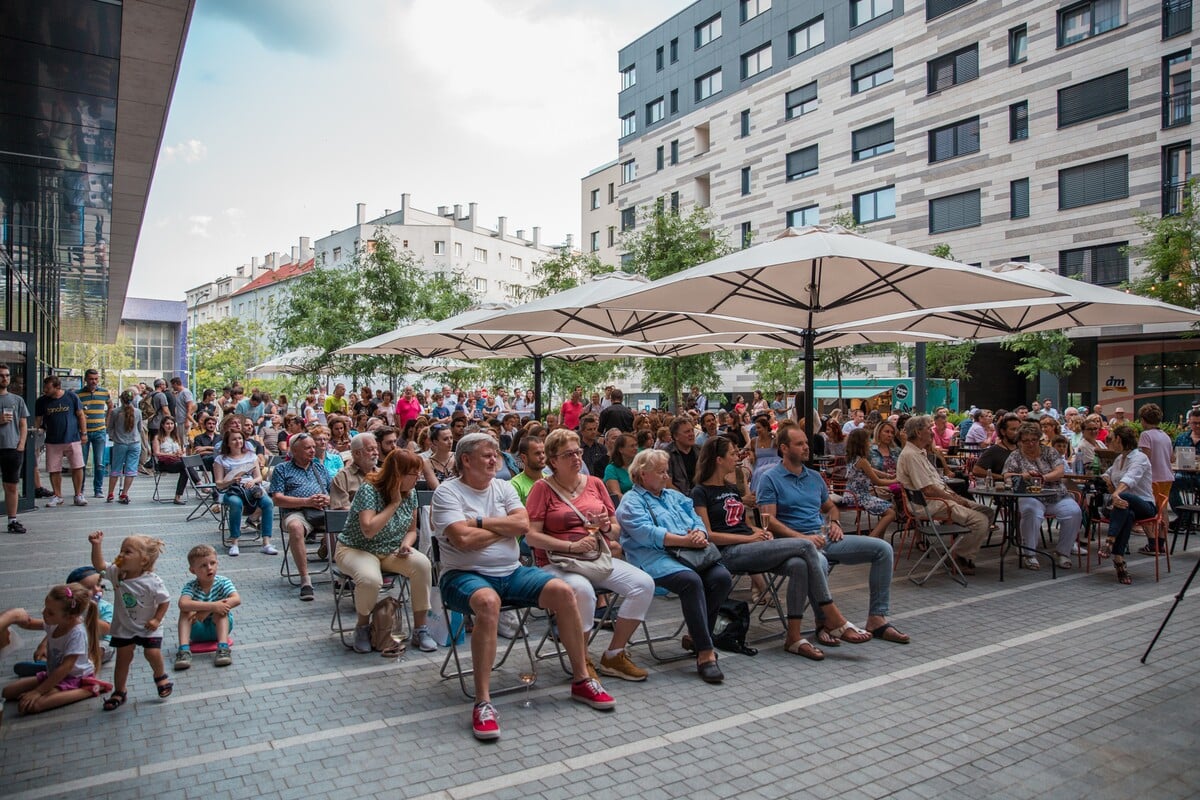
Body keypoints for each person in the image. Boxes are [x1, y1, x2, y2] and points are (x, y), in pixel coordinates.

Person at [432, 432, 616, 740]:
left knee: (563, 591)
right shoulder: (447, 493)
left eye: (496, 455)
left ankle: (581, 679)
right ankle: (483, 702)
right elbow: (461, 541)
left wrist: (477, 523)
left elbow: (520, 525)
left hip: (513, 571)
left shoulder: (503, 487)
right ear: (466, 460)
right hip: (463, 575)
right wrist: (500, 528)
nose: (496, 460)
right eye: (487, 455)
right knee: (489, 603)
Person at [693, 437, 892, 660]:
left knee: (799, 565)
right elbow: (709, 534)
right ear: (719, 460)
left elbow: (743, 523)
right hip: (729, 553)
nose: (737, 457)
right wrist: (751, 539)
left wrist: (759, 532)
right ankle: (832, 617)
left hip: (752, 545)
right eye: (732, 453)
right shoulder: (701, 492)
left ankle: (794, 637)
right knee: (806, 547)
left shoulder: (731, 489)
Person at [757, 427, 908, 646]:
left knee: (882, 549)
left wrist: (835, 522)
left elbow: (830, 508)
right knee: (819, 560)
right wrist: (802, 538)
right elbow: (768, 520)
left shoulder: (814, 477)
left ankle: (877, 618)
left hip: (823, 537)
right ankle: (823, 623)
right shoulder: (770, 478)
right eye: (799, 444)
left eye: (806, 442)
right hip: (793, 545)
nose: (806, 447)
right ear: (784, 448)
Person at [526, 429, 654, 681]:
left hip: (595, 558)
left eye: (578, 452)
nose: (576, 458)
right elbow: (531, 536)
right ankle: (581, 658)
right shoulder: (542, 489)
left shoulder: (595, 483)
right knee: (582, 591)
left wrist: (605, 526)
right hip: (558, 562)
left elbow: (616, 530)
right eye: (568, 454)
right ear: (553, 461)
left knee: (643, 584)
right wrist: (571, 546)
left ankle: (614, 654)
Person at [617, 448, 731, 683]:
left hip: (690, 553)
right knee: (690, 581)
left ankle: (697, 636)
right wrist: (685, 540)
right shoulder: (631, 501)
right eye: (660, 472)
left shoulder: (673, 496)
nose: (666, 476)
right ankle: (705, 653)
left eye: (666, 471)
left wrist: (699, 534)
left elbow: (696, 519)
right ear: (642, 474)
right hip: (653, 559)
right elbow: (647, 534)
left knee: (721, 577)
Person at [337, 449, 439, 654]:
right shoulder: (369, 490)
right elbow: (369, 529)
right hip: (357, 548)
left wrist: (407, 544)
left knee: (422, 564)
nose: (418, 479)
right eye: (413, 474)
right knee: (369, 578)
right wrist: (393, 503)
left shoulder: (410, 494)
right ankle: (363, 626)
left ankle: (421, 628)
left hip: (390, 549)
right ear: (397, 474)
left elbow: (411, 531)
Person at [896, 415, 991, 576]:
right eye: (928, 428)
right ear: (919, 433)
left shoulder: (919, 452)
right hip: (930, 504)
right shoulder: (911, 455)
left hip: (939, 499)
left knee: (987, 511)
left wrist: (957, 498)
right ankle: (958, 557)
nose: (931, 432)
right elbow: (929, 489)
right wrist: (957, 500)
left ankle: (960, 548)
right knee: (980, 520)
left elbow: (937, 483)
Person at [88, 531, 171, 710]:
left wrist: (157, 619)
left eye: (128, 552)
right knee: (123, 658)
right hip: (124, 626)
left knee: (152, 653)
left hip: (149, 626)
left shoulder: (152, 581)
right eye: (121, 550)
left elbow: (165, 601)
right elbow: (99, 565)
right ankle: (120, 690)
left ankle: (161, 676)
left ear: (143, 561)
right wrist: (96, 545)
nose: (121, 555)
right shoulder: (117, 573)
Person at [1, 582, 108, 714]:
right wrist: (13, 618)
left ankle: (90, 689)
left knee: (33, 706)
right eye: (45, 608)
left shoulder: (76, 633)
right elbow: (29, 624)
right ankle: (49, 688)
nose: (44, 613)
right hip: (53, 673)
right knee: (7, 692)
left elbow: (66, 667)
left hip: (74, 678)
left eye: (50, 612)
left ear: (69, 616)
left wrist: (38, 691)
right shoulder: (55, 622)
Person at [1003, 422, 1081, 571]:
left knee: (1074, 512)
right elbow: (1007, 475)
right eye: (1025, 441)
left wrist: (1043, 478)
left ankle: (1063, 552)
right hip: (1031, 495)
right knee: (1030, 511)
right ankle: (1029, 553)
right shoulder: (1016, 455)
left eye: (1034, 440)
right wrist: (1023, 475)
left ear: (1039, 439)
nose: (1030, 443)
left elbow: (1060, 472)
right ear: (1020, 441)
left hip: (1056, 494)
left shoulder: (1049, 452)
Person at [269, 432, 332, 601]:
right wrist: (306, 501)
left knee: (345, 522)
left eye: (313, 447)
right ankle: (306, 580)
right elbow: (277, 499)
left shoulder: (318, 467)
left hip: (321, 510)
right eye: (307, 448)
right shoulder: (282, 469)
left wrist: (327, 498)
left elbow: (334, 492)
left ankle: (344, 576)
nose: (313, 450)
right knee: (295, 527)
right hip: (296, 512)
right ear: (294, 451)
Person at [1098, 425, 1156, 585]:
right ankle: (1118, 559)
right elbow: (1107, 473)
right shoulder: (1119, 459)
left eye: (1111, 439)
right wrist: (1106, 479)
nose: (1109, 441)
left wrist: (1116, 494)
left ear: (1119, 439)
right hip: (1125, 507)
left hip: (1145, 505)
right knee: (1126, 513)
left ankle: (1110, 540)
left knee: (1123, 497)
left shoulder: (1140, 458)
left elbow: (1131, 479)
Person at [174, 544, 239, 669]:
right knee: (185, 612)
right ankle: (183, 651)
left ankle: (223, 649)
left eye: (212, 563)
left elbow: (236, 599)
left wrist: (211, 609)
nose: (209, 568)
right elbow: (182, 603)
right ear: (193, 570)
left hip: (218, 628)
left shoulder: (223, 581)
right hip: (198, 630)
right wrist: (212, 606)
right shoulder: (191, 586)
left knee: (221, 611)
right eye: (203, 565)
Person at [213, 428, 275, 557]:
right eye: (234, 439)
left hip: (251, 489)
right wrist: (231, 481)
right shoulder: (221, 459)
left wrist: (253, 482)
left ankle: (266, 542)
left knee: (268, 503)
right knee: (235, 504)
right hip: (232, 490)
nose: (238, 442)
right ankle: (234, 542)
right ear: (228, 443)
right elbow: (219, 483)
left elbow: (258, 477)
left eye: (240, 438)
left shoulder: (251, 456)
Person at [35, 375, 88, 507]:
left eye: (48, 388)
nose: (45, 391)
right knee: (54, 469)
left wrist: (84, 433)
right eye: (44, 388)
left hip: (72, 438)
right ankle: (57, 495)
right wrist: (35, 433)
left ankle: (78, 494)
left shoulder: (71, 397)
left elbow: (80, 415)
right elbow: (38, 419)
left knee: (77, 466)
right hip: (53, 440)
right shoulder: (42, 401)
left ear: (57, 387)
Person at [843, 429, 898, 539]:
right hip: (860, 497)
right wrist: (896, 480)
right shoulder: (862, 461)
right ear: (862, 443)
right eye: (868, 441)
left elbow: (871, 470)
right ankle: (872, 538)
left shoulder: (853, 458)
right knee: (891, 513)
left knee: (889, 509)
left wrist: (888, 476)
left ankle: (879, 538)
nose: (870, 443)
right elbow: (877, 481)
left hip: (850, 494)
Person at [1137, 403, 1173, 556]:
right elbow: (1171, 457)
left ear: (1143, 420)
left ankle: (1152, 543)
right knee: (1163, 510)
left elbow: (1145, 458)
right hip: (1167, 477)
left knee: (1146, 509)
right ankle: (1162, 542)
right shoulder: (1165, 435)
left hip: (1152, 478)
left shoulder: (1146, 435)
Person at [0, 364, 30, 533]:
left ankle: (12, 520)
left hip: (12, 449)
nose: (5, 378)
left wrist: (21, 445)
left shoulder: (17, 400)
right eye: (1, 375)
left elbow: (23, 424)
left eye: (7, 375)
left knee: (11, 486)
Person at [76, 368, 112, 499]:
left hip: (99, 431)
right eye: (91, 379)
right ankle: (80, 489)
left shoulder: (104, 392)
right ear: (85, 379)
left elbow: (110, 406)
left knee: (99, 462)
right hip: (83, 432)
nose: (94, 381)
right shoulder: (78, 394)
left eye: (96, 379)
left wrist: (106, 423)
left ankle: (98, 489)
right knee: (82, 462)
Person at [105, 390, 142, 505]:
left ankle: (110, 493)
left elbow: (110, 427)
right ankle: (124, 493)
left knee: (116, 468)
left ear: (121, 399)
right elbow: (140, 428)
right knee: (131, 469)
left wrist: (112, 436)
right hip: (134, 443)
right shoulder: (138, 412)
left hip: (120, 443)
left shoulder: (115, 412)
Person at [1169, 407, 1200, 535]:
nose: (1197, 426)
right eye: (1194, 423)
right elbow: (1173, 457)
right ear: (1189, 422)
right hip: (1183, 473)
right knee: (1171, 481)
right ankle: (1185, 517)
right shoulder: (1182, 438)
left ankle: (1184, 520)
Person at [152, 416, 189, 505]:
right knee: (186, 465)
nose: (170, 426)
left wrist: (180, 453)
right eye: (167, 424)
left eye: (172, 424)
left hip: (177, 462)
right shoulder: (157, 437)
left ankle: (177, 497)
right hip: (164, 463)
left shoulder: (176, 437)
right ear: (163, 425)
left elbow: (180, 451)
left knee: (185, 468)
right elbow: (156, 453)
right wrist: (171, 455)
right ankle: (198, 483)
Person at [972, 413, 1021, 480]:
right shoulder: (994, 450)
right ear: (1003, 431)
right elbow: (977, 470)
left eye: (1018, 429)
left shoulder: (1022, 449)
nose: (1016, 433)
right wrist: (1001, 477)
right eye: (1013, 429)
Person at [664, 417, 698, 495]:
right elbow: (667, 483)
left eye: (692, 430)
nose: (691, 434)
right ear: (676, 436)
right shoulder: (666, 454)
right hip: (678, 499)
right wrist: (684, 499)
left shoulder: (700, 451)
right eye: (687, 432)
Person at [510, 436, 546, 504]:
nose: (542, 456)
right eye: (537, 453)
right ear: (524, 457)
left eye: (543, 452)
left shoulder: (550, 480)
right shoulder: (515, 485)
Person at [603, 433, 637, 503]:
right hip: (626, 505)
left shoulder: (640, 466)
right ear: (621, 449)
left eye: (636, 445)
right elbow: (616, 495)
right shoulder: (611, 469)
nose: (636, 448)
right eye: (632, 446)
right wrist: (636, 503)